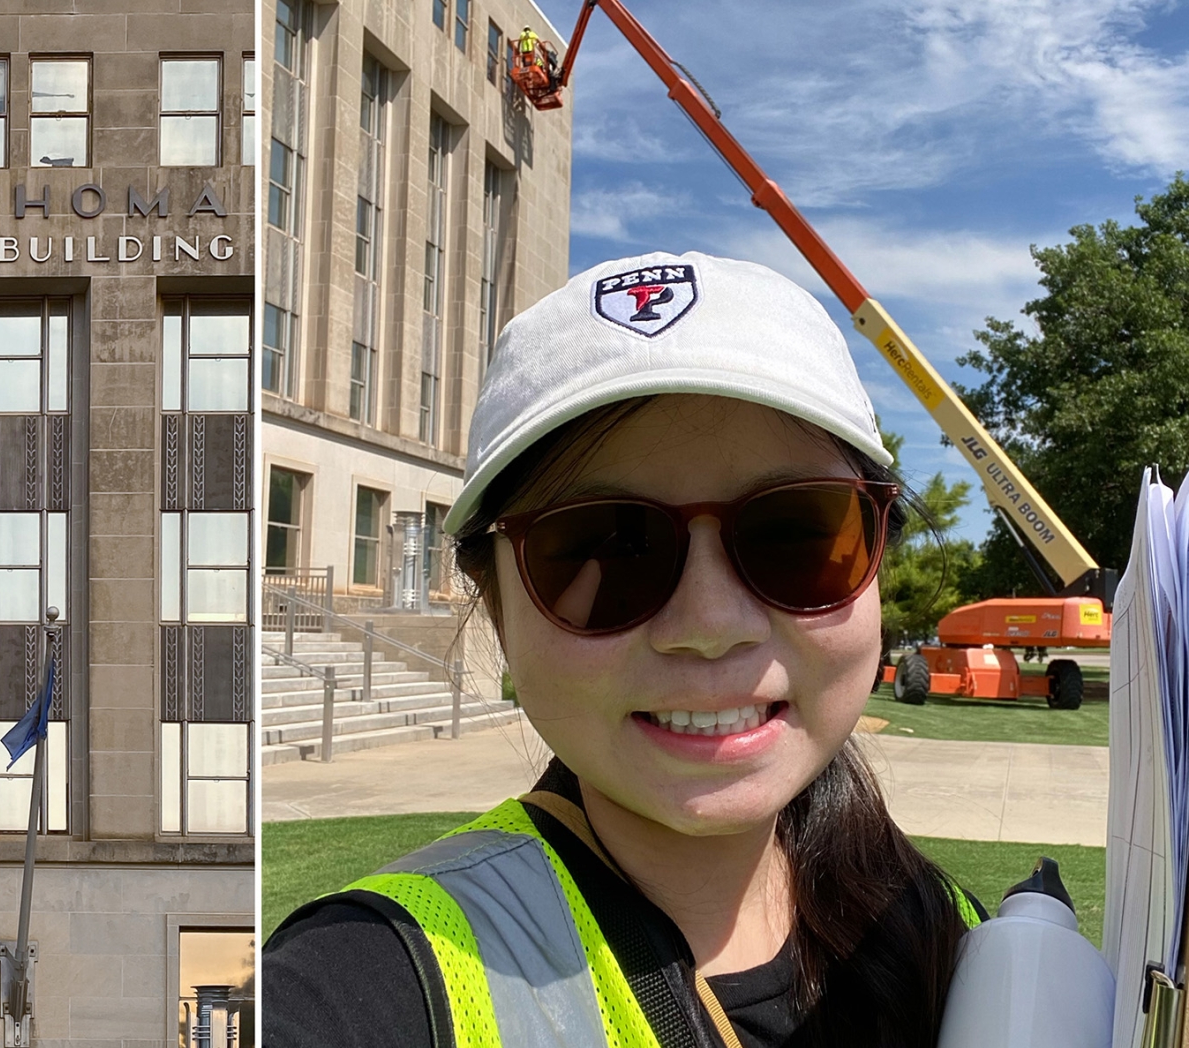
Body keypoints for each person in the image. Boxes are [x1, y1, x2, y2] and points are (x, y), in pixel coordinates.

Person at [263, 251, 984, 1048]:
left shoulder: (969, 941)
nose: (711, 623)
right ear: (497, 604)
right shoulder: (353, 987)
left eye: (795, 536)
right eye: (604, 549)